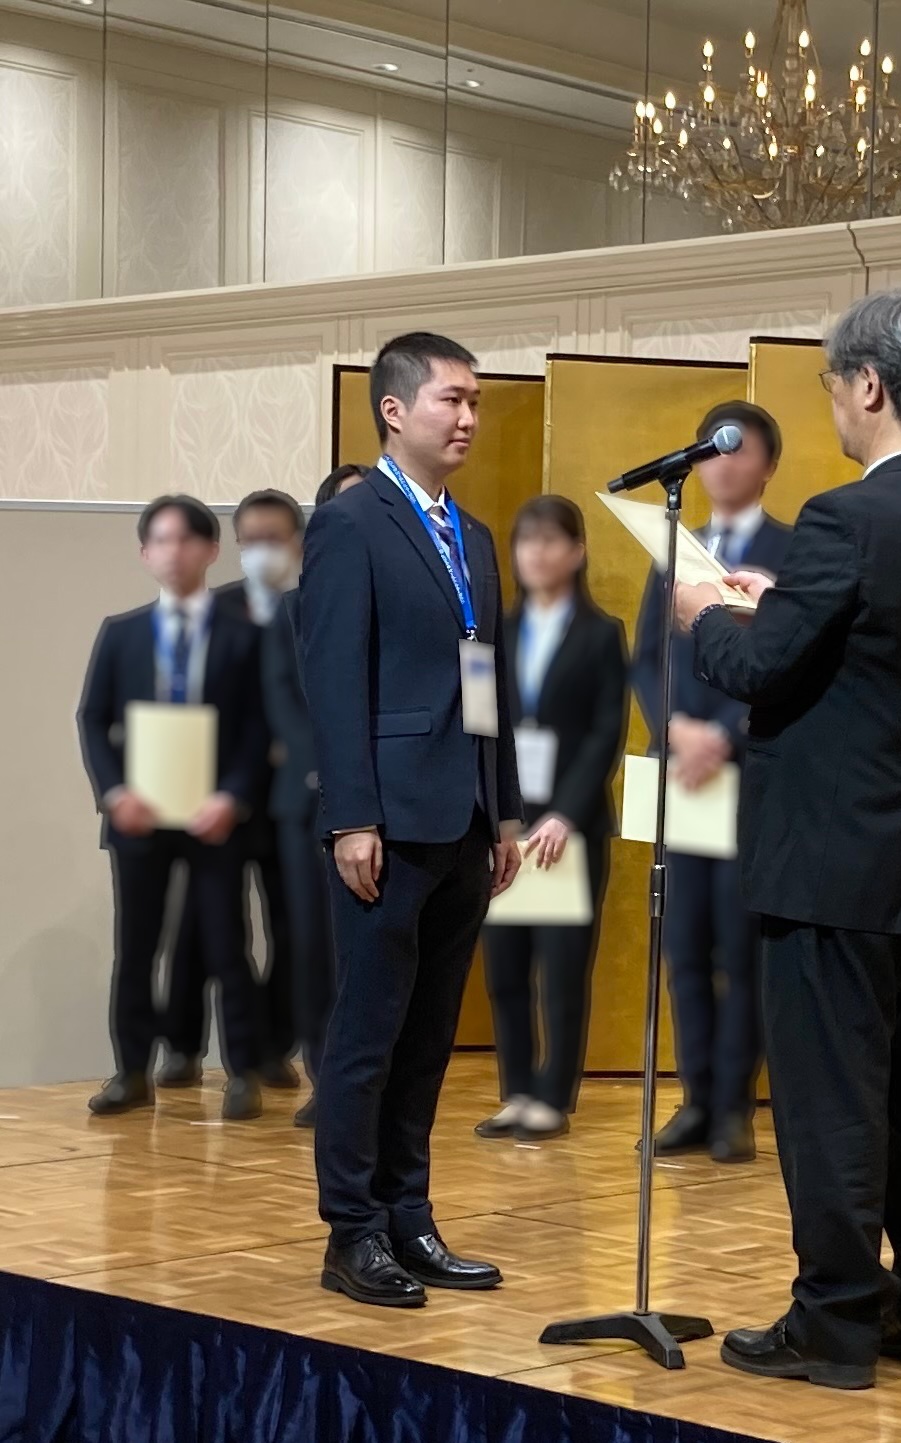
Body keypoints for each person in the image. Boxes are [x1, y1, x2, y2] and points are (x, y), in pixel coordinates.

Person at [674, 287, 901, 1390]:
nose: (834, 407)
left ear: (868, 384)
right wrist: (777, 605)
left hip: (831, 861)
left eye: (831, 383)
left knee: (828, 1101)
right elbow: (872, 657)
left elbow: (761, 671)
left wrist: (707, 610)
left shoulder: (847, 516)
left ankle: (836, 1320)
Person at [300, 333, 524, 1308]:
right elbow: (333, 675)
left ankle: (409, 1214)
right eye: (451, 400)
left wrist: (505, 807)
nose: (468, 417)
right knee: (369, 1036)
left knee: (430, 1037)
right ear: (395, 410)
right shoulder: (355, 523)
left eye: (476, 402)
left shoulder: (471, 535)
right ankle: (352, 1232)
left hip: (465, 817)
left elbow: (489, 684)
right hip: (387, 821)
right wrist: (352, 814)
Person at [632, 400, 790, 1164]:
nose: (721, 465)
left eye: (738, 451)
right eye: (712, 452)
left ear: (765, 464)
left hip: (750, 773)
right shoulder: (675, 548)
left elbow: (787, 657)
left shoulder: (792, 551)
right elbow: (642, 657)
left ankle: (735, 1105)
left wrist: (724, 735)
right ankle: (694, 1098)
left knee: (741, 947)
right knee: (683, 944)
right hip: (680, 776)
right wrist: (672, 728)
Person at [78, 495, 269, 1120]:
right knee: (135, 947)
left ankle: (242, 1072)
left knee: (226, 942)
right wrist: (114, 791)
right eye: (161, 541)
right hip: (139, 816)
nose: (174, 551)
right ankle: (131, 1071)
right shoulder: (121, 631)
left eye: (188, 540)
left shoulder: (243, 636)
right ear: (144, 554)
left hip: (213, 818)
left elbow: (257, 728)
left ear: (212, 552)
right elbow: (93, 719)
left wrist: (232, 796)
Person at [475, 497, 628, 1143]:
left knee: (563, 968)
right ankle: (515, 1091)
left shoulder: (601, 633)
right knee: (505, 966)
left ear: (577, 550)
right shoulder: (492, 633)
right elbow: (482, 727)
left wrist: (564, 812)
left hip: (570, 827)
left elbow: (604, 732)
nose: (535, 552)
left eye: (550, 539)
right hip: (506, 826)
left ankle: (552, 1095)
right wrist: (497, 815)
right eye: (524, 540)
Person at [160, 488, 305, 1093]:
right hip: (216, 797)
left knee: (292, 930)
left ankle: (271, 1047)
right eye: (251, 541)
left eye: (276, 539)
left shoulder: (311, 610)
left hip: (288, 799)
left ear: (297, 542)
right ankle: (183, 1049)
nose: (263, 552)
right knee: (201, 927)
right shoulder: (212, 610)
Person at [265, 465, 367, 1127]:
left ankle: (364, 1084)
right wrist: (328, 771)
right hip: (308, 801)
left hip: (380, 807)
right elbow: (283, 702)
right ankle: (322, 1075)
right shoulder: (289, 608)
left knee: (367, 955)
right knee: (310, 948)